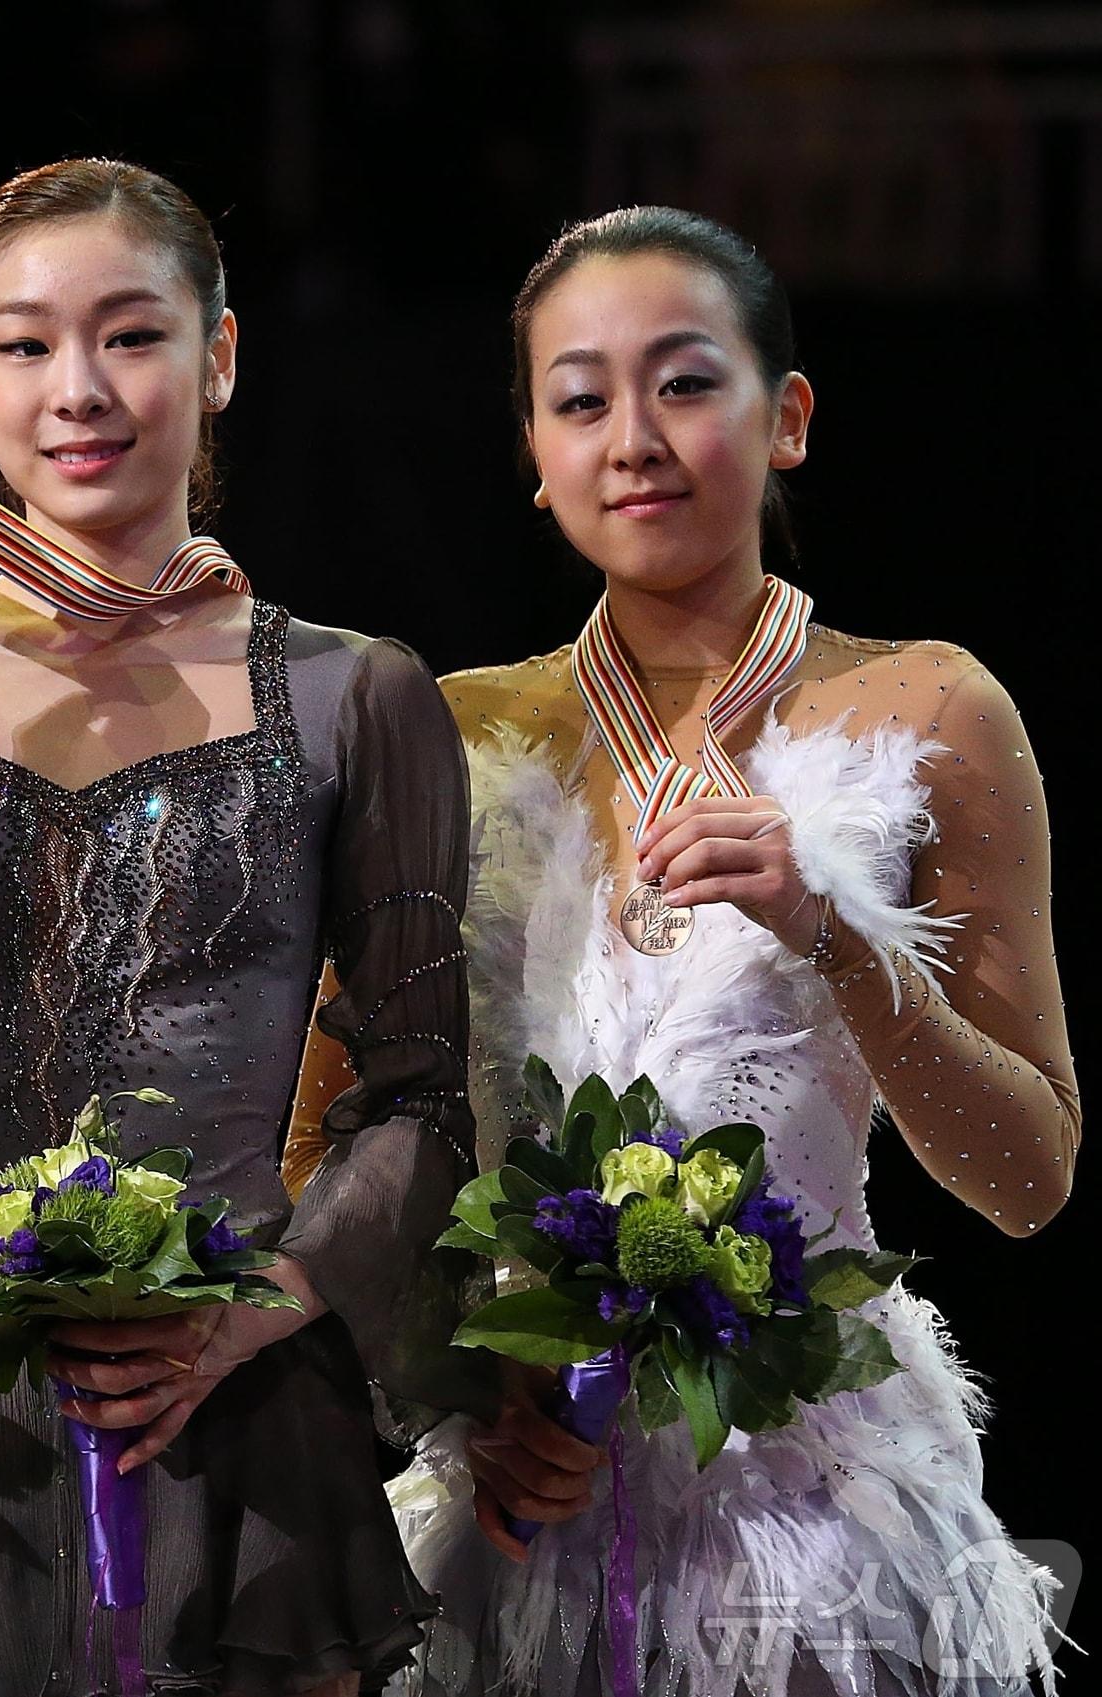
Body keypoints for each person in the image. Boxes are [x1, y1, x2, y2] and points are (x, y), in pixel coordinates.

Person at [282, 207, 1079, 1697]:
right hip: (528, 1501)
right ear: (533, 449)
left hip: (821, 1523)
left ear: (787, 419)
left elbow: (1029, 1176)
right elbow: (324, 1144)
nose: (631, 436)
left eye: (684, 382)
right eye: (579, 398)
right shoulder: (451, 733)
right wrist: (468, 1377)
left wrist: (835, 935)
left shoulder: (933, 710)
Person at [0, 157, 480, 1697]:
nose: (77, 389)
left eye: (130, 336)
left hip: (226, 1415)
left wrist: (265, 1305)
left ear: (220, 357)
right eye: (23, 343)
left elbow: (420, 1098)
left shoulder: (356, 690)